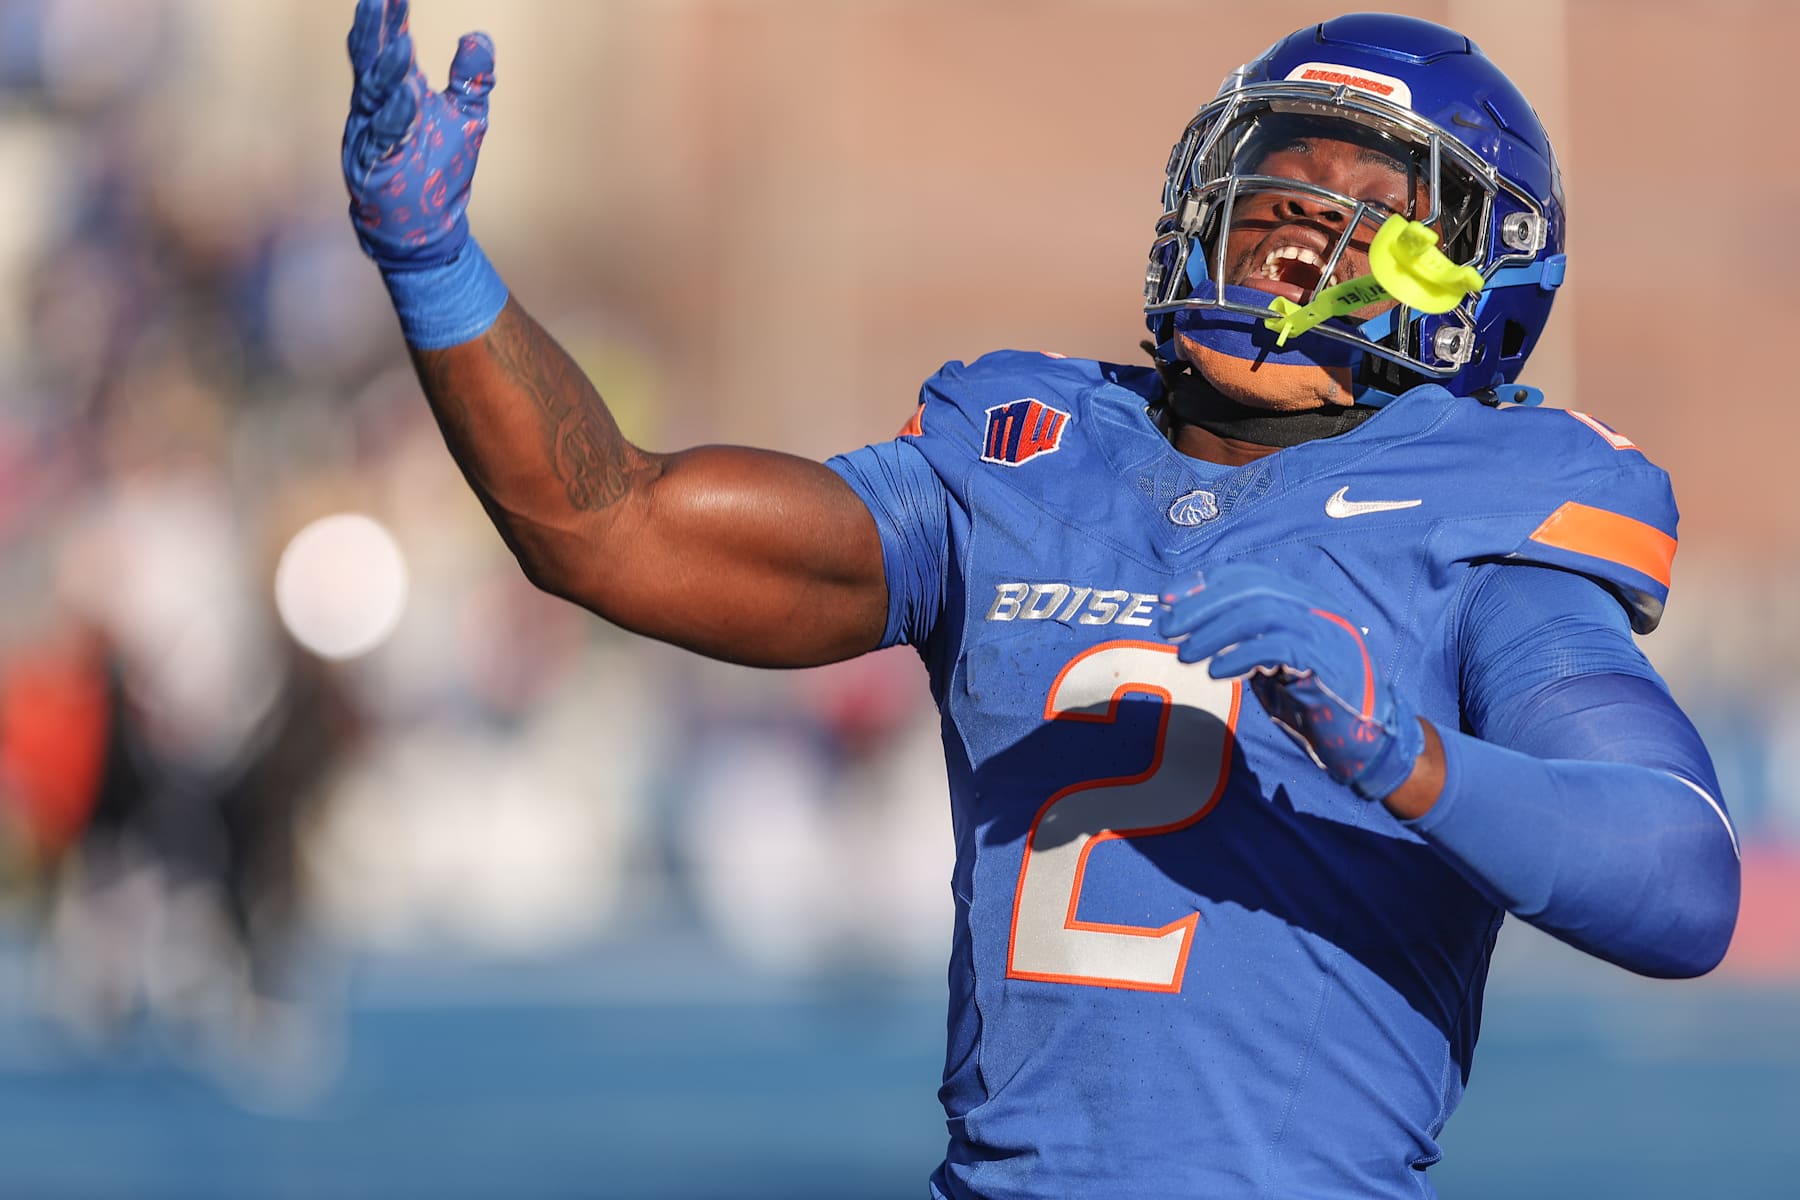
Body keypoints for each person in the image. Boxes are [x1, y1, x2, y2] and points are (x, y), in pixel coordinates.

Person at [342, 5, 1740, 1196]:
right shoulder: (1024, 455)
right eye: (1271, 204)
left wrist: (1416, 759)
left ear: (1471, 286)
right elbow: (608, 525)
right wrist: (438, 269)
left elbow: (1681, 883)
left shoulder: (1483, 515)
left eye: (1355, 223)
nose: (1287, 249)